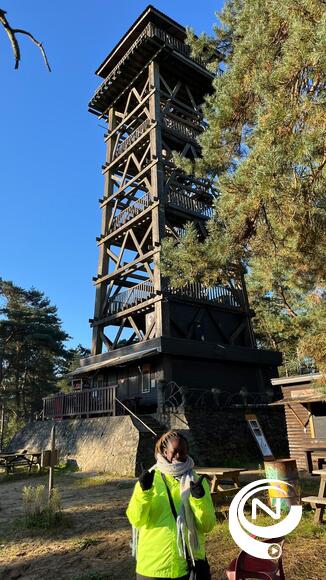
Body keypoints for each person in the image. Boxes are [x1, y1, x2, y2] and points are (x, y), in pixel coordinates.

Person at [126, 430, 216, 579]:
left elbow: (207, 526)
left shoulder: (196, 481)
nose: (179, 456)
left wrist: (199, 500)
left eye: (183, 452)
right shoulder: (149, 479)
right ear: (164, 450)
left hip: (188, 565)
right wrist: (144, 492)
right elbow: (136, 520)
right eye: (175, 451)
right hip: (154, 567)